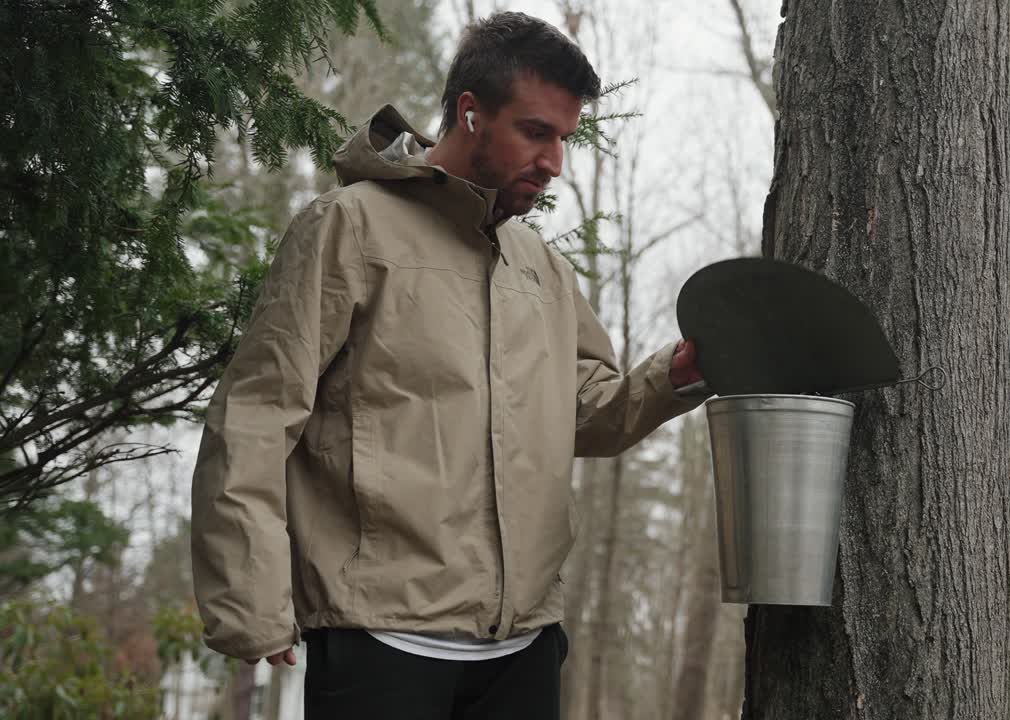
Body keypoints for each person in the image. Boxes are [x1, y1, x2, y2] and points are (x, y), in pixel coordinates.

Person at [190, 10, 707, 719]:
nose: (554, 162)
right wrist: (251, 596)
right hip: (379, 645)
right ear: (470, 113)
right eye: (536, 133)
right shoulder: (349, 227)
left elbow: (584, 416)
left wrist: (671, 376)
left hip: (523, 651)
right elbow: (256, 410)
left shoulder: (542, 270)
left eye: (565, 139)